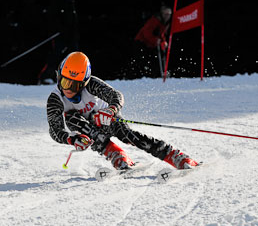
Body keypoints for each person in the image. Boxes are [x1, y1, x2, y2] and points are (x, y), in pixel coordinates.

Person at [46, 51, 198, 171]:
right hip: (87, 130)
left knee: (128, 136)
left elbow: (116, 95)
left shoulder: (91, 84)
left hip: (106, 119)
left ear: (84, 82)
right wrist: (72, 139)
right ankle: (116, 154)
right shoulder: (55, 99)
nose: (67, 89)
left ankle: (175, 156)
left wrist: (111, 110)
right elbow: (55, 130)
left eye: (74, 85)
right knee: (71, 118)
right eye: (64, 81)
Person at [38, 0, 80, 85]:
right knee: (56, 55)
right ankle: (45, 77)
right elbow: (52, 17)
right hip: (59, 34)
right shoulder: (59, 0)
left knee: (74, 55)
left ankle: (72, 78)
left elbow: (72, 21)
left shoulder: (72, 2)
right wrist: (58, 29)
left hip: (70, 35)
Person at [126, 6, 172, 78]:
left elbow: (161, 34)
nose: (167, 16)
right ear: (162, 14)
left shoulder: (165, 23)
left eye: (169, 14)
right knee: (141, 61)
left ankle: (154, 75)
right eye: (165, 14)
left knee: (153, 60)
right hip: (141, 42)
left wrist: (163, 42)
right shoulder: (155, 20)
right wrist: (155, 40)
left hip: (150, 44)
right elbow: (146, 33)